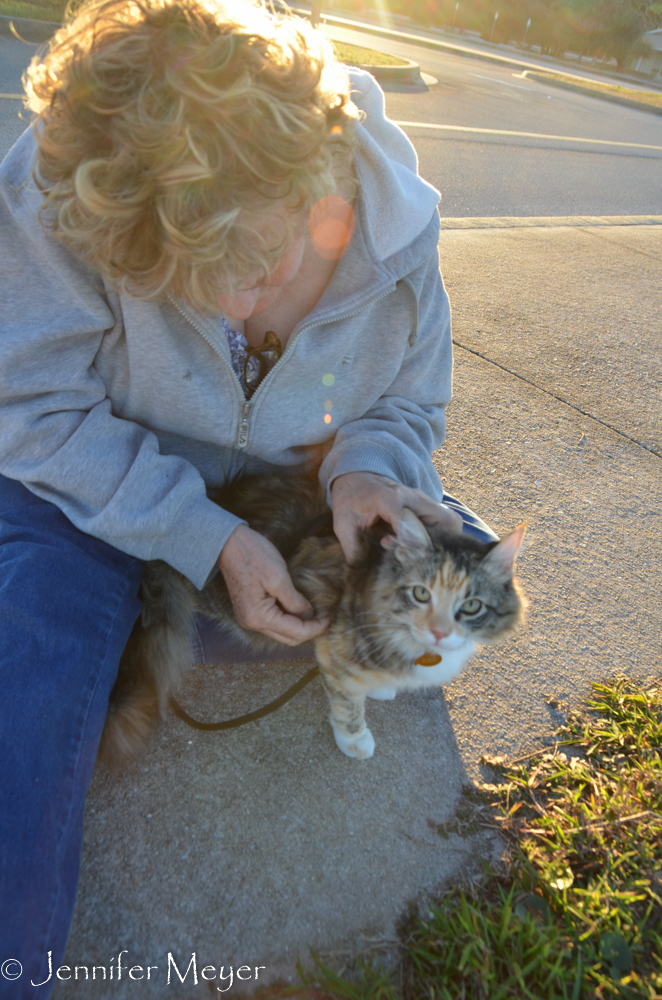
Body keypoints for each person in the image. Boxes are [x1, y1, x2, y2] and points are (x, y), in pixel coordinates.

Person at [0, 0, 496, 995]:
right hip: (94, 482)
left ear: (310, 169)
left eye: (256, 262)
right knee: (34, 655)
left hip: (294, 485)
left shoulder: (397, 230)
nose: (230, 305)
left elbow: (408, 399)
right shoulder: (57, 187)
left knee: (465, 559)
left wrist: (365, 468)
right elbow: (30, 406)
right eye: (179, 282)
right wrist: (199, 535)